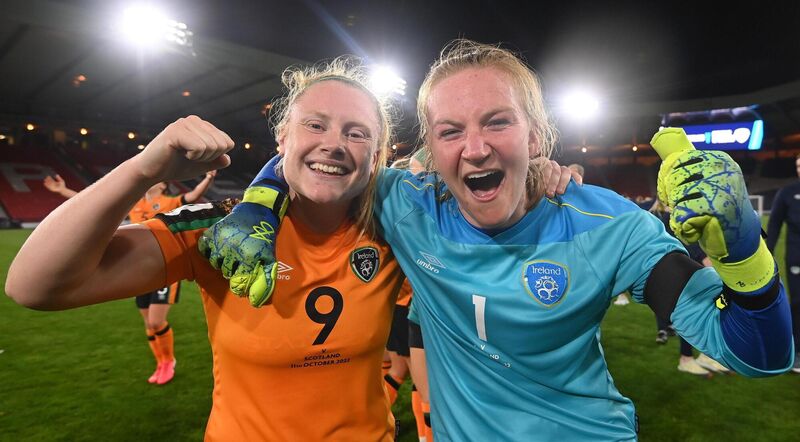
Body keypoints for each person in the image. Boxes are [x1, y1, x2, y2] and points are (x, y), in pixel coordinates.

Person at [206, 39, 793, 441]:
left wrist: (744, 250)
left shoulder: (608, 225)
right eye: (450, 131)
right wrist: (260, 196)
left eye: (497, 121)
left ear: (537, 135)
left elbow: (758, 356)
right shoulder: (404, 203)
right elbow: (326, 160)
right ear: (429, 153)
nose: (476, 149)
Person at [43, 170, 217, 385]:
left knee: (156, 320)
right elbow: (96, 205)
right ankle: (161, 362)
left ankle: (169, 360)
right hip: (141, 270)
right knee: (148, 323)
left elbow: (191, 197)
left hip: (166, 268)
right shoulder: (135, 202)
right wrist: (62, 191)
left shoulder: (169, 201)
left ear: (163, 186)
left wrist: (208, 178)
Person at [648, 199, 730, 376]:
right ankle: (686, 359)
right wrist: (706, 260)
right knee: (691, 313)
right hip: (680, 270)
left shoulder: (674, 212)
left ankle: (705, 355)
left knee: (707, 312)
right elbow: (683, 241)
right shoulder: (668, 215)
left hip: (688, 267)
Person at [766, 153, 800, 373]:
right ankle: (796, 352)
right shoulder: (787, 193)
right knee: (797, 303)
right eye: (798, 165)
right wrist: (767, 254)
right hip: (797, 257)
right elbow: (775, 225)